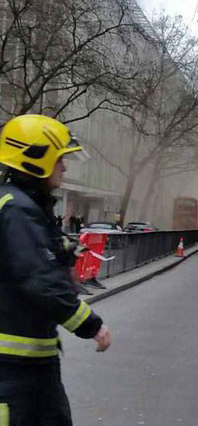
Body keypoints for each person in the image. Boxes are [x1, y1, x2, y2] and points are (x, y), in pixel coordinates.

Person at [0, 115, 112, 425]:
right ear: (37, 159)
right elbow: (39, 279)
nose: (64, 166)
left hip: (30, 364)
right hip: (13, 369)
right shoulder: (17, 209)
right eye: (60, 159)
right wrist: (91, 325)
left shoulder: (25, 206)